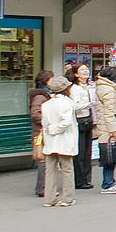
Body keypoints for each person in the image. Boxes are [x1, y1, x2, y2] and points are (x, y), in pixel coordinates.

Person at [40, 76, 77, 207]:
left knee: (50, 170)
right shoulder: (67, 103)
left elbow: (44, 123)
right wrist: (56, 129)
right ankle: (68, 198)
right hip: (65, 140)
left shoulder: (46, 104)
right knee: (67, 169)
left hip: (50, 140)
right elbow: (66, 122)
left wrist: (51, 130)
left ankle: (49, 198)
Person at [93, 66, 116, 194]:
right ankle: (107, 184)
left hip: (105, 127)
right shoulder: (108, 90)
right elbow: (109, 113)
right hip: (108, 128)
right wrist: (113, 131)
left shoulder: (105, 87)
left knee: (110, 156)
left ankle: (109, 182)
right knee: (110, 157)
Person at [67, 63, 95, 190]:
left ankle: (86, 179)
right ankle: (80, 180)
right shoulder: (75, 89)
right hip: (79, 120)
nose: (86, 71)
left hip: (88, 119)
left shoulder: (89, 87)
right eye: (82, 70)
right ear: (76, 74)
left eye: (87, 69)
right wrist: (89, 104)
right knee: (80, 152)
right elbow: (74, 106)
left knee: (87, 151)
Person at [28, 70, 55, 198]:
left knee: (44, 159)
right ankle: (42, 187)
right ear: (46, 81)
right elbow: (35, 114)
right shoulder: (40, 96)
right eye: (52, 79)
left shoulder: (45, 95)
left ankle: (44, 186)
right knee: (42, 159)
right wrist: (47, 122)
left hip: (41, 132)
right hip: (39, 133)